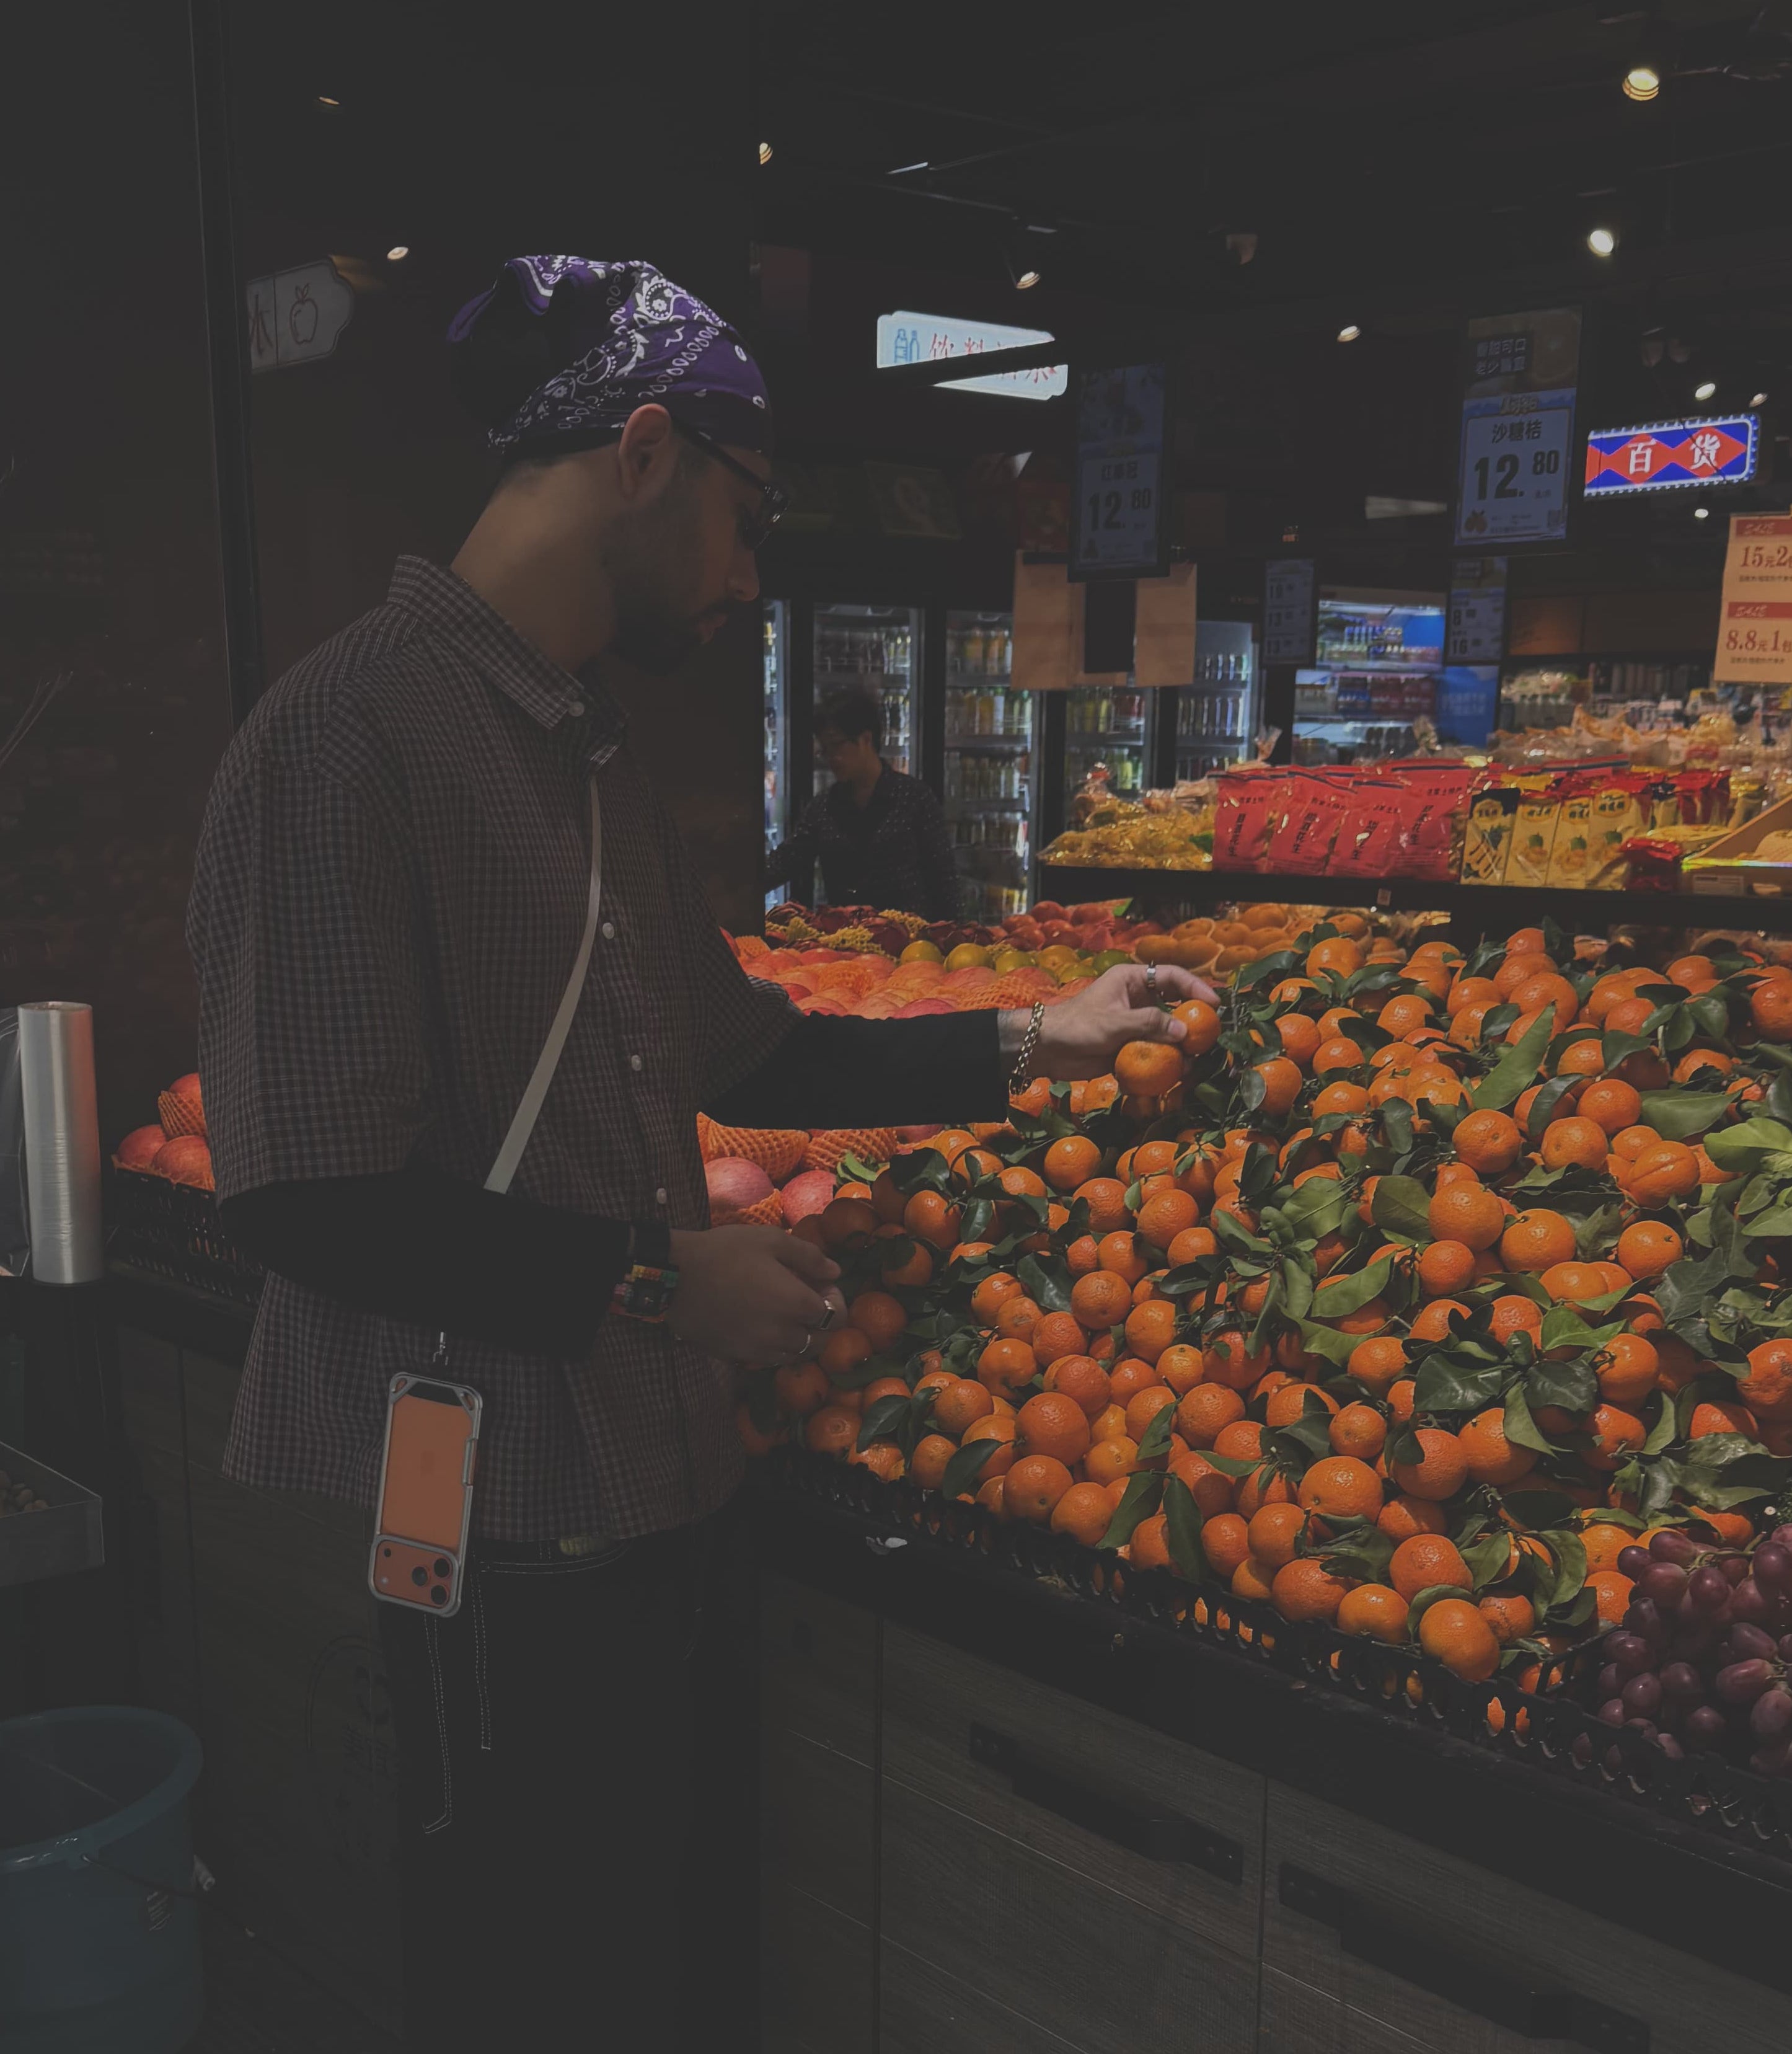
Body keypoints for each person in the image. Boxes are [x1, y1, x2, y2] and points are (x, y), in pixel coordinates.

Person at [185, 255, 1211, 2053]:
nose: (751, 579)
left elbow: (750, 1050)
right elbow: (301, 1194)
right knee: (535, 1977)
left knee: (671, 1975)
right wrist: (663, 1278)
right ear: (645, 456)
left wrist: (1030, 1041)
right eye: (752, 519)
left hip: (667, 1502)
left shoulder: (580, 746)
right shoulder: (338, 744)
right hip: (498, 1532)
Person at [768, 685, 960, 919]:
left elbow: (944, 881)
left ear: (866, 739)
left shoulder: (915, 798)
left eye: (836, 746)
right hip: (846, 943)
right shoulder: (824, 808)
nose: (830, 759)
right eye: (824, 751)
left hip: (910, 944)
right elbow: (786, 860)